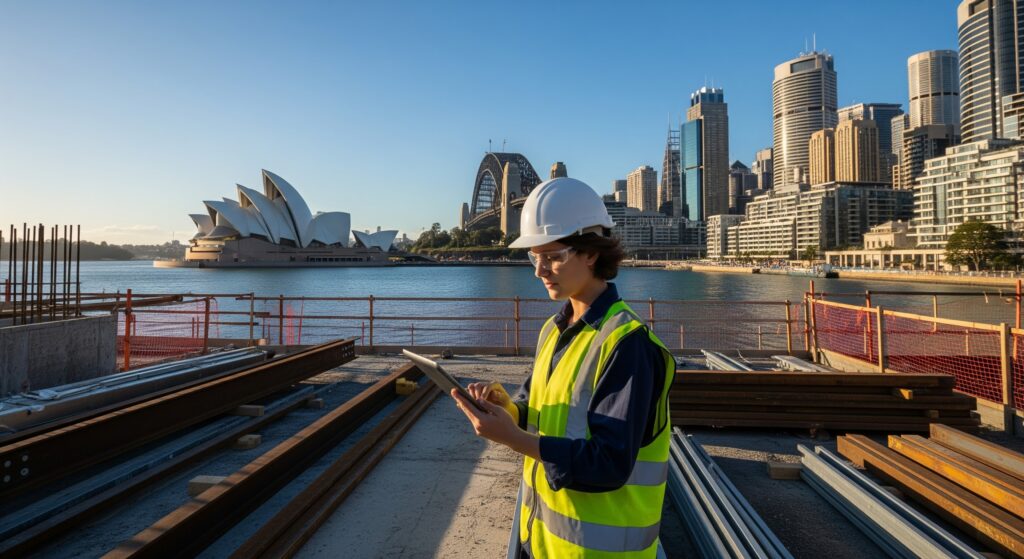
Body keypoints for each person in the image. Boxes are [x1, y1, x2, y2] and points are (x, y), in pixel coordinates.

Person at [450, 177, 675, 558]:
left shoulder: (627, 345)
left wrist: (512, 439)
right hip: (540, 542)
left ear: (590, 252)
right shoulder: (554, 330)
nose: (540, 270)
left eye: (553, 257)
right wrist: (504, 409)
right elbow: (535, 410)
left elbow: (609, 464)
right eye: (534, 257)